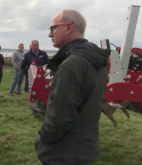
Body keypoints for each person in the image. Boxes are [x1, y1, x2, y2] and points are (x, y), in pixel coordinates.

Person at [34, 9, 110, 165]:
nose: (49, 34)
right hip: (84, 149)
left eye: (53, 28)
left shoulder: (73, 63)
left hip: (63, 153)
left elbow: (60, 116)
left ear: (68, 27)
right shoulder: (98, 62)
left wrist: (42, 137)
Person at [21, 40, 49, 115]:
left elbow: (48, 64)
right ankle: (34, 110)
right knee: (33, 93)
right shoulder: (27, 55)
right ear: (31, 45)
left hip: (43, 77)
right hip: (32, 77)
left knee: (43, 92)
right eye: (35, 45)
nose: (36, 46)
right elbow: (23, 66)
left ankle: (43, 108)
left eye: (37, 45)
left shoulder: (43, 54)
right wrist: (27, 74)